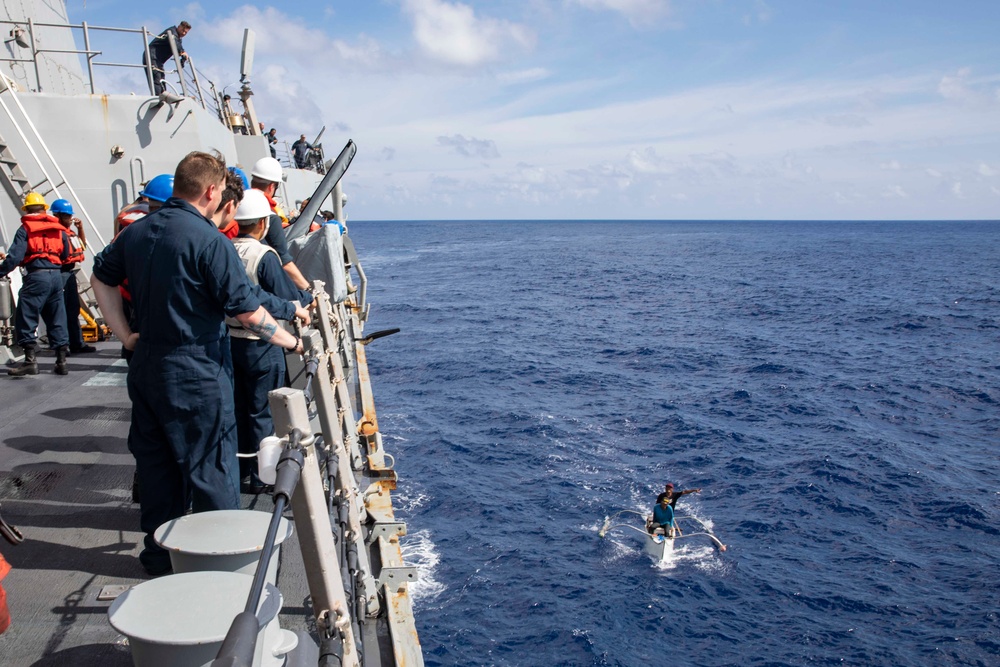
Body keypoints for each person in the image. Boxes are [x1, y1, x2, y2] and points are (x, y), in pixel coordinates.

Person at [91, 151, 309, 576]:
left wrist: (124, 335)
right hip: (196, 372)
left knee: (157, 469)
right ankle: (218, 566)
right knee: (211, 468)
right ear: (212, 191)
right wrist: (293, 343)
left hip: (146, 367)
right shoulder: (209, 240)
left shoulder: (136, 233)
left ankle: (159, 558)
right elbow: (247, 312)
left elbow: (101, 277)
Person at [228, 189, 313, 493]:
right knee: (263, 412)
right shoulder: (264, 256)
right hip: (261, 343)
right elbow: (284, 296)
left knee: (237, 408)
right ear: (263, 223)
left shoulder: (227, 249)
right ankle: (260, 477)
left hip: (230, 342)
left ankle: (236, 472)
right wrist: (308, 299)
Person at [0, 192, 70, 376]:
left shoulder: (25, 229)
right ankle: (61, 362)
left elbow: (14, 257)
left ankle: (30, 361)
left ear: (27, 209)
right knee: (57, 317)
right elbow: (65, 254)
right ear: (44, 209)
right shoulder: (59, 229)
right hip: (56, 276)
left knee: (26, 316)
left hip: (36, 276)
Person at [249, 157, 310, 289]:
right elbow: (285, 261)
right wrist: (308, 289)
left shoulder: (235, 206)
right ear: (272, 186)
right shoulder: (269, 216)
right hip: (259, 285)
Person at [51, 199, 96, 355]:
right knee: (60, 310)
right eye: (66, 216)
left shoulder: (69, 232)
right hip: (60, 273)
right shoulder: (55, 232)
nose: (70, 219)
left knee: (73, 309)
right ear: (57, 215)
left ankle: (77, 343)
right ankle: (63, 345)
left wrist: (80, 229)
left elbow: (81, 246)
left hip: (69, 273)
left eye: (70, 216)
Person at [143, 21, 191, 96]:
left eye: (186, 32)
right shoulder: (172, 32)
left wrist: (182, 57)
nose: (184, 33)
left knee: (161, 78)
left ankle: (163, 96)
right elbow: (175, 42)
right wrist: (182, 52)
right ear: (179, 27)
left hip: (158, 60)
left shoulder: (177, 38)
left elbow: (177, 46)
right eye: (183, 30)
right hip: (152, 56)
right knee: (156, 78)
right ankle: (158, 97)